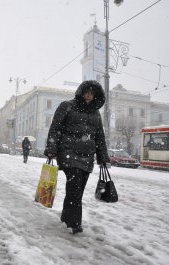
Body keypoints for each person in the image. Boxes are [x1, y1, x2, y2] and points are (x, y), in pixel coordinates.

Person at [44, 80, 110, 234]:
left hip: (87, 157)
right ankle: (74, 223)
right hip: (69, 153)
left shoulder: (95, 113)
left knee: (78, 190)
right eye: (87, 92)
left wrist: (103, 157)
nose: (89, 96)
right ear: (81, 92)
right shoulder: (66, 106)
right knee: (74, 188)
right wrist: (51, 148)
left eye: (92, 93)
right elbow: (55, 128)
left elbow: (100, 136)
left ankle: (66, 218)